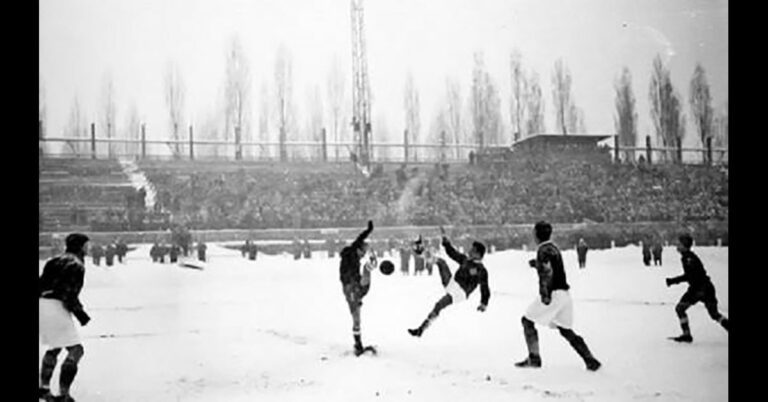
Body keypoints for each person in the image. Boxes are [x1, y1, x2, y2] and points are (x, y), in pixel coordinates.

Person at [515, 221, 601, 371]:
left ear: (536, 235)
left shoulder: (542, 250)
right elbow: (552, 266)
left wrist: (545, 296)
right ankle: (590, 359)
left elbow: (547, 274)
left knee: (527, 321)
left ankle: (534, 358)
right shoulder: (553, 248)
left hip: (553, 293)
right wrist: (537, 264)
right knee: (565, 329)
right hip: (565, 294)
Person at [407, 226, 489, 337]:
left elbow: (485, 287)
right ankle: (420, 252)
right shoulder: (465, 260)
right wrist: (446, 242)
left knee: (439, 305)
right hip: (452, 284)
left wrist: (484, 302)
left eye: (472, 250)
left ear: (478, 254)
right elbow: (452, 253)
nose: (469, 251)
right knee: (441, 262)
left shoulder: (481, 270)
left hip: (461, 292)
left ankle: (421, 329)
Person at [39, 233, 92, 402]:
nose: (88, 248)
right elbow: (68, 293)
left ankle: (44, 388)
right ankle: (64, 394)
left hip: (43, 304)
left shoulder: (54, 261)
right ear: (81, 246)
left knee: (55, 346)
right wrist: (81, 315)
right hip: (58, 305)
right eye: (86, 245)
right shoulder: (76, 265)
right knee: (76, 350)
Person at [666, 233, 729, 343]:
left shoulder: (688, 258)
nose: (677, 245)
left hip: (699, 289)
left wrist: (673, 281)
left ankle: (687, 335)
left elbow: (690, 275)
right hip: (707, 288)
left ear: (684, 245)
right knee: (714, 314)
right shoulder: (688, 257)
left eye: (679, 244)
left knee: (680, 308)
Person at [339, 220, 377, 356]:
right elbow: (359, 239)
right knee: (356, 317)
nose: (363, 255)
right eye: (363, 251)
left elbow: (361, 239)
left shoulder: (355, 253)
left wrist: (369, 230)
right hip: (350, 287)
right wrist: (351, 284)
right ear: (359, 249)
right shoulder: (350, 253)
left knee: (366, 273)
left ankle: (369, 267)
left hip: (356, 286)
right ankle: (358, 344)